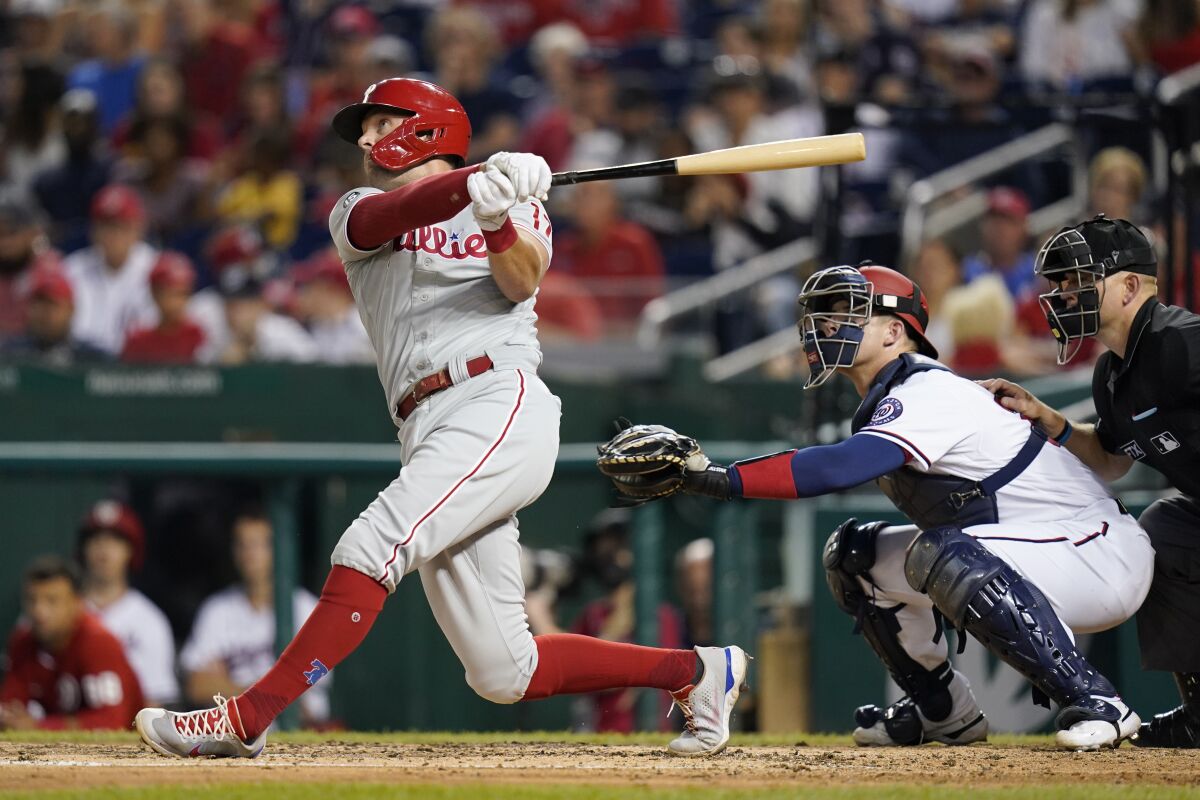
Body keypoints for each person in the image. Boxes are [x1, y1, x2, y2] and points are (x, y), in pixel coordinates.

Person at [134, 77, 748, 760]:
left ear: (425, 127)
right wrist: (480, 182)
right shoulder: (358, 207)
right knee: (503, 671)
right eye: (362, 130)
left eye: (377, 124)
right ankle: (695, 674)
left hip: (498, 400)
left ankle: (247, 718)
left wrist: (495, 215)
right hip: (425, 422)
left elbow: (522, 279)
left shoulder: (515, 201)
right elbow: (385, 220)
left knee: (371, 547)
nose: (365, 140)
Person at [600, 262, 1155, 751]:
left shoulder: (930, 389)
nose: (826, 327)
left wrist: (714, 479)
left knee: (941, 553)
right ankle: (945, 712)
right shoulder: (891, 396)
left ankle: (1099, 700)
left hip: (1095, 551)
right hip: (1031, 548)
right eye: (824, 315)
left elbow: (837, 468)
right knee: (854, 555)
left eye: (847, 314)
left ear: (895, 332)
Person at [980, 216, 1200, 748]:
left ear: (1128, 286)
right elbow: (1109, 459)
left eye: (1077, 280)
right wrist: (1048, 420)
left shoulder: (1178, 340)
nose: (1061, 294)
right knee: (1164, 530)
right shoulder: (1112, 374)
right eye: (1057, 284)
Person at [178, 510, 329, 728]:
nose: (249, 554)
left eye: (258, 545)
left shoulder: (306, 608)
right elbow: (197, 685)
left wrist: (228, 686)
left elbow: (304, 700)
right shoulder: (217, 609)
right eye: (242, 544)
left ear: (277, 549)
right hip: (233, 733)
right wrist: (268, 694)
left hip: (300, 738)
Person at [0, 556, 143, 730]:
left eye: (52, 601)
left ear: (77, 603)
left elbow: (112, 721)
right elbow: (9, 706)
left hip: (126, 750)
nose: (39, 611)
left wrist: (39, 726)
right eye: (32, 600)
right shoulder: (23, 641)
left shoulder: (98, 642)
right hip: (58, 749)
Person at [77, 500, 179, 708]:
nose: (104, 549)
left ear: (130, 551)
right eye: (96, 539)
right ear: (83, 549)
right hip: (62, 730)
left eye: (115, 540)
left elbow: (155, 705)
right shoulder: (58, 612)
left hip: (126, 733)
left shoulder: (149, 620)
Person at [61, 183, 158, 354]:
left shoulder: (155, 269)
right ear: (93, 230)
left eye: (121, 225)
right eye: (105, 225)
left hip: (137, 368)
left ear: (139, 228)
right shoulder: (72, 268)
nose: (113, 234)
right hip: (81, 365)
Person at [0, 269, 109, 365]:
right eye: (38, 304)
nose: (44, 313)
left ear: (71, 310)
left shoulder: (92, 359)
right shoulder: (11, 354)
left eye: (52, 305)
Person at [290, 249, 373, 365]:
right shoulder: (317, 326)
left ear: (330, 290)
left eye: (312, 287)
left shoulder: (365, 325)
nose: (306, 295)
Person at [121, 251, 206, 364]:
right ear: (154, 294)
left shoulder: (198, 335)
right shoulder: (138, 339)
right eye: (169, 294)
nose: (176, 303)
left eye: (183, 294)